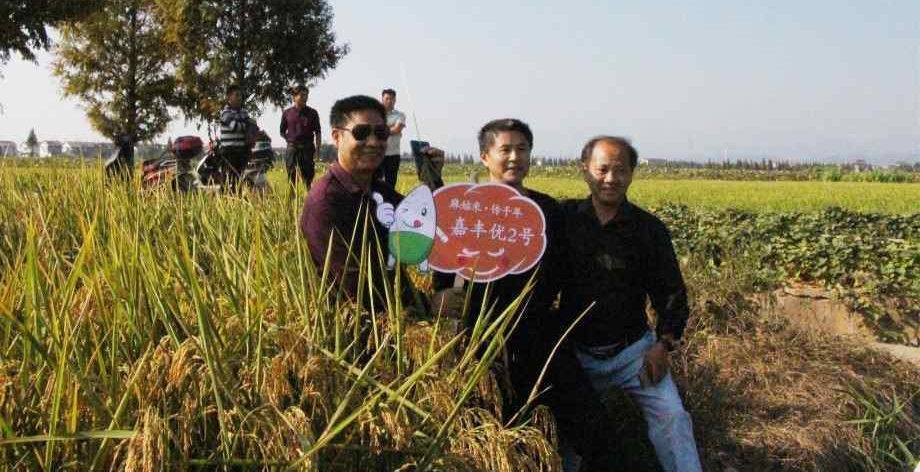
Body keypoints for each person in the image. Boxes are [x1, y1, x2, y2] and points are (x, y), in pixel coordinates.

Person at [430, 119, 612, 471]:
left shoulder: (548, 210)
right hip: (480, 339)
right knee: (495, 429)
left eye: (523, 149)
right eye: (505, 150)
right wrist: (440, 299)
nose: (515, 157)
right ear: (485, 156)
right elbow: (444, 270)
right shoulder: (464, 209)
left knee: (587, 422)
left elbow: (566, 271)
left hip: (539, 332)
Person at [559, 136, 701, 472]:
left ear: (632, 174)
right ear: (585, 171)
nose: (610, 178)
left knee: (673, 420)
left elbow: (671, 294)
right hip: (575, 356)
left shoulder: (649, 230)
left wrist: (663, 346)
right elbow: (512, 220)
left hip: (633, 353)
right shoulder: (563, 220)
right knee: (565, 434)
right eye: (602, 169)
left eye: (620, 170)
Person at [300, 94, 444, 311]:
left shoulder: (379, 191)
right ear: (337, 137)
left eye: (381, 133)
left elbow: (434, 228)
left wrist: (433, 180)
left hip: (398, 311)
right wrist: (430, 305)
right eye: (361, 133)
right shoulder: (325, 203)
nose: (374, 142)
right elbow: (357, 289)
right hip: (359, 329)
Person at [280, 85, 322, 192]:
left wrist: (317, 151)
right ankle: (291, 202)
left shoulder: (313, 113)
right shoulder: (287, 113)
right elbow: (282, 131)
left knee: (308, 178)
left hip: (307, 149)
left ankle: (309, 202)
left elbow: (318, 132)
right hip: (292, 149)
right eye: (302, 95)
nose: (305, 97)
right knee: (292, 178)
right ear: (294, 97)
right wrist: (290, 140)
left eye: (306, 95)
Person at [219, 85, 257, 192]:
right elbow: (235, 126)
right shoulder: (225, 113)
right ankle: (225, 200)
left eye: (241, 95)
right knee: (228, 179)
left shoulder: (244, 112)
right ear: (229, 97)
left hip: (242, 151)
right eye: (237, 95)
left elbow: (253, 125)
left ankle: (237, 199)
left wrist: (248, 125)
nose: (240, 98)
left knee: (239, 178)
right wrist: (246, 125)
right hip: (229, 152)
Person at [378, 88, 407, 188]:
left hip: (393, 155)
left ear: (395, 100)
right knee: (376, 183)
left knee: (390, 184)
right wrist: (391, 127)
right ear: (382, 99)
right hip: (378, 154)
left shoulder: (400, 115)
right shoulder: (376, 115)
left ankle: (390, 203)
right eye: (387, 99)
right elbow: (374, 130)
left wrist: (381, 130)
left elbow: (397, 130)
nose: (389, 101)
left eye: (392, 99)